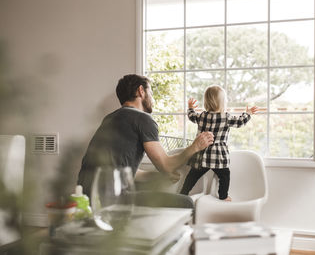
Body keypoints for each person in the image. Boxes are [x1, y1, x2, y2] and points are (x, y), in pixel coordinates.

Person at [77, 74, 214, 208]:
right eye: (151, 93)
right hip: (113, 197)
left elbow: (127, 170)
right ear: (141, 91)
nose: (153, 98)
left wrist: (159, 176)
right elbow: (166, 165)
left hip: (86, 196)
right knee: (186, 203)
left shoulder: (110, 118)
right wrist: (195, 147)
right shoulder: (142, 118)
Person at [180, 85, 258, 201]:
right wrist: (247, 113)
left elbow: (192, 116)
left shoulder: (202, 116)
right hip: (217, 156)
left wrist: (190, 108)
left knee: (192, 176)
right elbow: (240, 122)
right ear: (222, 103)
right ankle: (223, 196)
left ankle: (182, 194)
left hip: (202, 154)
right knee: (224, 175)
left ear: (206, 102)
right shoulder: (226, 117)